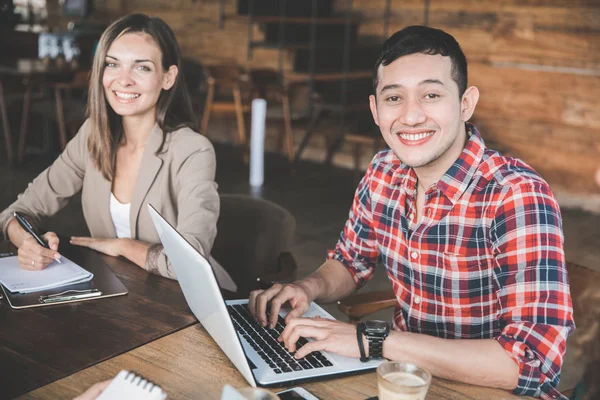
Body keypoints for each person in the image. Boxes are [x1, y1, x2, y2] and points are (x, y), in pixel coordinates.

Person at [249, 26, 574, 399]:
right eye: (394, 98)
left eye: (431, 95)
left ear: (466, 103)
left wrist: (374, 340)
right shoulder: (384, 171)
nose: (411, 116)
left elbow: (530, 363)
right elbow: (350, 262)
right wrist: (306, 287)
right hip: (405, 382)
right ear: (375, 109)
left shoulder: (515, 194)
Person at [0, 14, 228, 283]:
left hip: (186, 300)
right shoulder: (92, 136)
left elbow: (191, 263)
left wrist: (122, 245)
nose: (124, 80)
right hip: (120, 294)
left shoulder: (193, 150)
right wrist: (29, 242)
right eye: (112, 64)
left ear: (168, 77)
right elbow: (15, 213)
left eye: (141, 68)